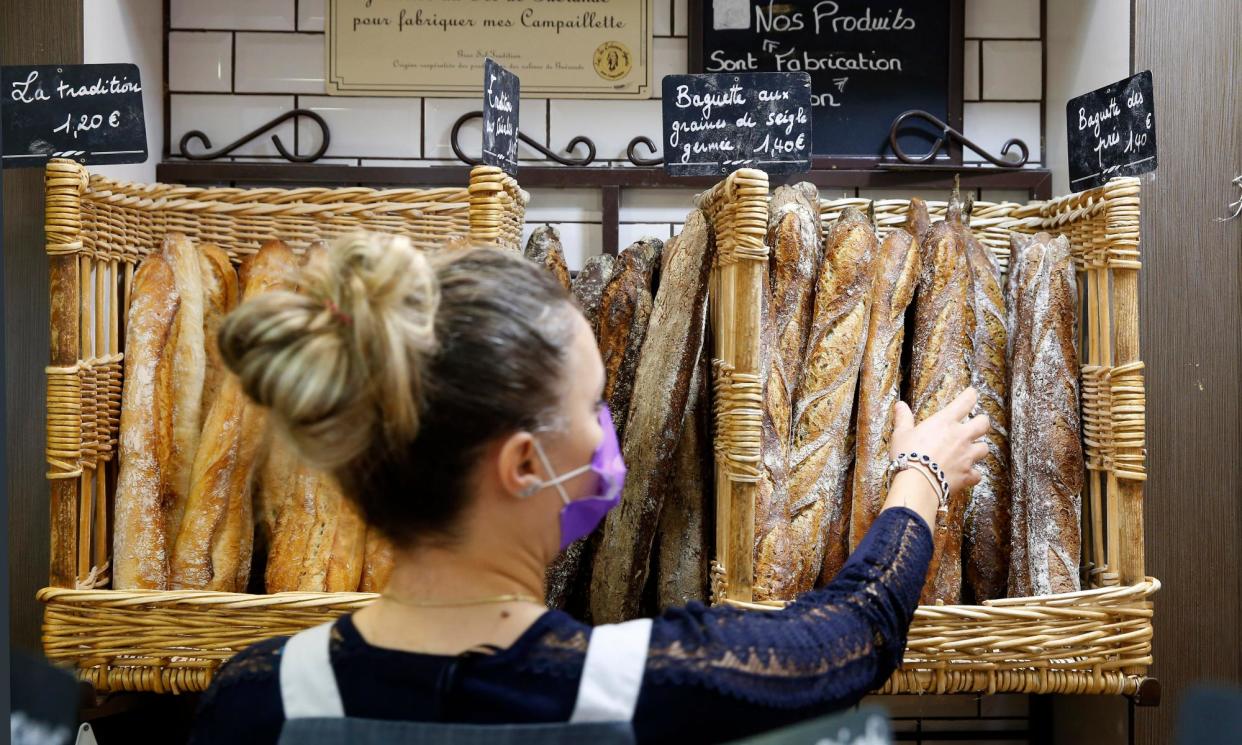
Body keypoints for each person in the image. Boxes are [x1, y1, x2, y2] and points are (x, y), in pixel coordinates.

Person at [188, 234, 990, 745]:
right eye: (594, 403)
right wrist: (919, 474)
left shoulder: (253, 700)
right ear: (526, 465)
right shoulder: (649, 685)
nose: (610, 427)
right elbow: (858, 632)